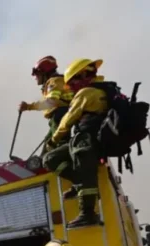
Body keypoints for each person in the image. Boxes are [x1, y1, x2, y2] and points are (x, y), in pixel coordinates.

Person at [43, 58, 107, 228]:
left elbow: (67, 120)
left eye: (72, 83)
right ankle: (79, 185)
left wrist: (53, 139)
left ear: (83, 75)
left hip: (86, 141)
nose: (70, 88)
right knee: (52, 159)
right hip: (90, 139)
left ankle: (87, 214)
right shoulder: (102, 89)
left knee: (79, 170)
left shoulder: (86, 93)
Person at [19, 55, 75, 154]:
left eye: (37, 74)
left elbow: (51, 102)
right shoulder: (58, 81)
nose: (35, 77)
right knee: (47, 149)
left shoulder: (54, 82)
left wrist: (28, 106)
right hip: (60, 118)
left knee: (58, 149)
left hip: (60, 117)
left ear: (44, 73)